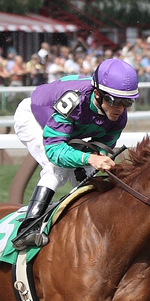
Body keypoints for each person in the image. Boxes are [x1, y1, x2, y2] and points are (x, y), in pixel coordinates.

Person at [10, 58, 140, 250]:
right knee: (58, 167)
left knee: (85, 173)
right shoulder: (74, 100)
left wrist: (95, 158)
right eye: (115, 101)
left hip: (69, 127)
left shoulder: (119, 117)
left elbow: (101, 147)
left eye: (127, 103)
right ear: (97, 94)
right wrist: (89, 158)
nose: (120, 108)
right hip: (34, 118)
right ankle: (28, 227)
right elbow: (55, 150)